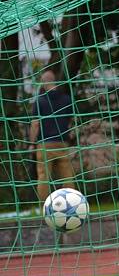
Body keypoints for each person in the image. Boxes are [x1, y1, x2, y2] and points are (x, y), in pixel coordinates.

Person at [29, 69, 75, 202]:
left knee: (43, 177)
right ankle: (73, 204)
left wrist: (32, 144)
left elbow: (35, 124)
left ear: (43, 84)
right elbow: (70, 120)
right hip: (62, 142)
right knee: (67, 176)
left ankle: (45, 206)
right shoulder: (67, 99)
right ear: (55, 81)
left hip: (45, 144)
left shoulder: (39, 101)